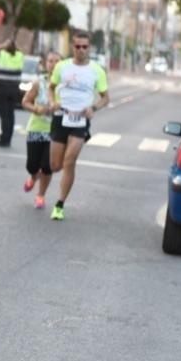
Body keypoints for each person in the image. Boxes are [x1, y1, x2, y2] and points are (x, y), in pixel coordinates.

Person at [48, 31, 110, 221]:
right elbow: (51, 87)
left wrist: (93, 107)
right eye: (78, 46)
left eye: (85, 47)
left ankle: (59, 204)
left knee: (69, 161)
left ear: (89, 48)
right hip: (61, 117)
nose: (81, 50)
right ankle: (59, 184)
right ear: (72, 47)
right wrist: (52, 102)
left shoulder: (96, 70)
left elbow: (105, 97)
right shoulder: (62, 66)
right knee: (55, 165)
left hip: (81, 120)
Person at [20, 50, 61, 209]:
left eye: (57, 61)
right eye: (50, 61)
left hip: (55, 131)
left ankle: (40, 195)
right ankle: (32, 177)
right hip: (36, 128)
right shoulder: (39, 82)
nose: (53, 64)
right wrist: (36, 109)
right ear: (46, 64)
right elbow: (25, 101)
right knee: (32, 165)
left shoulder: (65, 85)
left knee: (47, 166)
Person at [0, 37, 24, 147]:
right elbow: (20, 51)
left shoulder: (2, 55)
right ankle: (8, 139)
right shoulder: (19, 56)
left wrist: (2, 45)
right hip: (14, 90)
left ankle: (4, 139)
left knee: (4, 115)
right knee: (10, 114)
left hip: (2, 90)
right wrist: (13, 45)